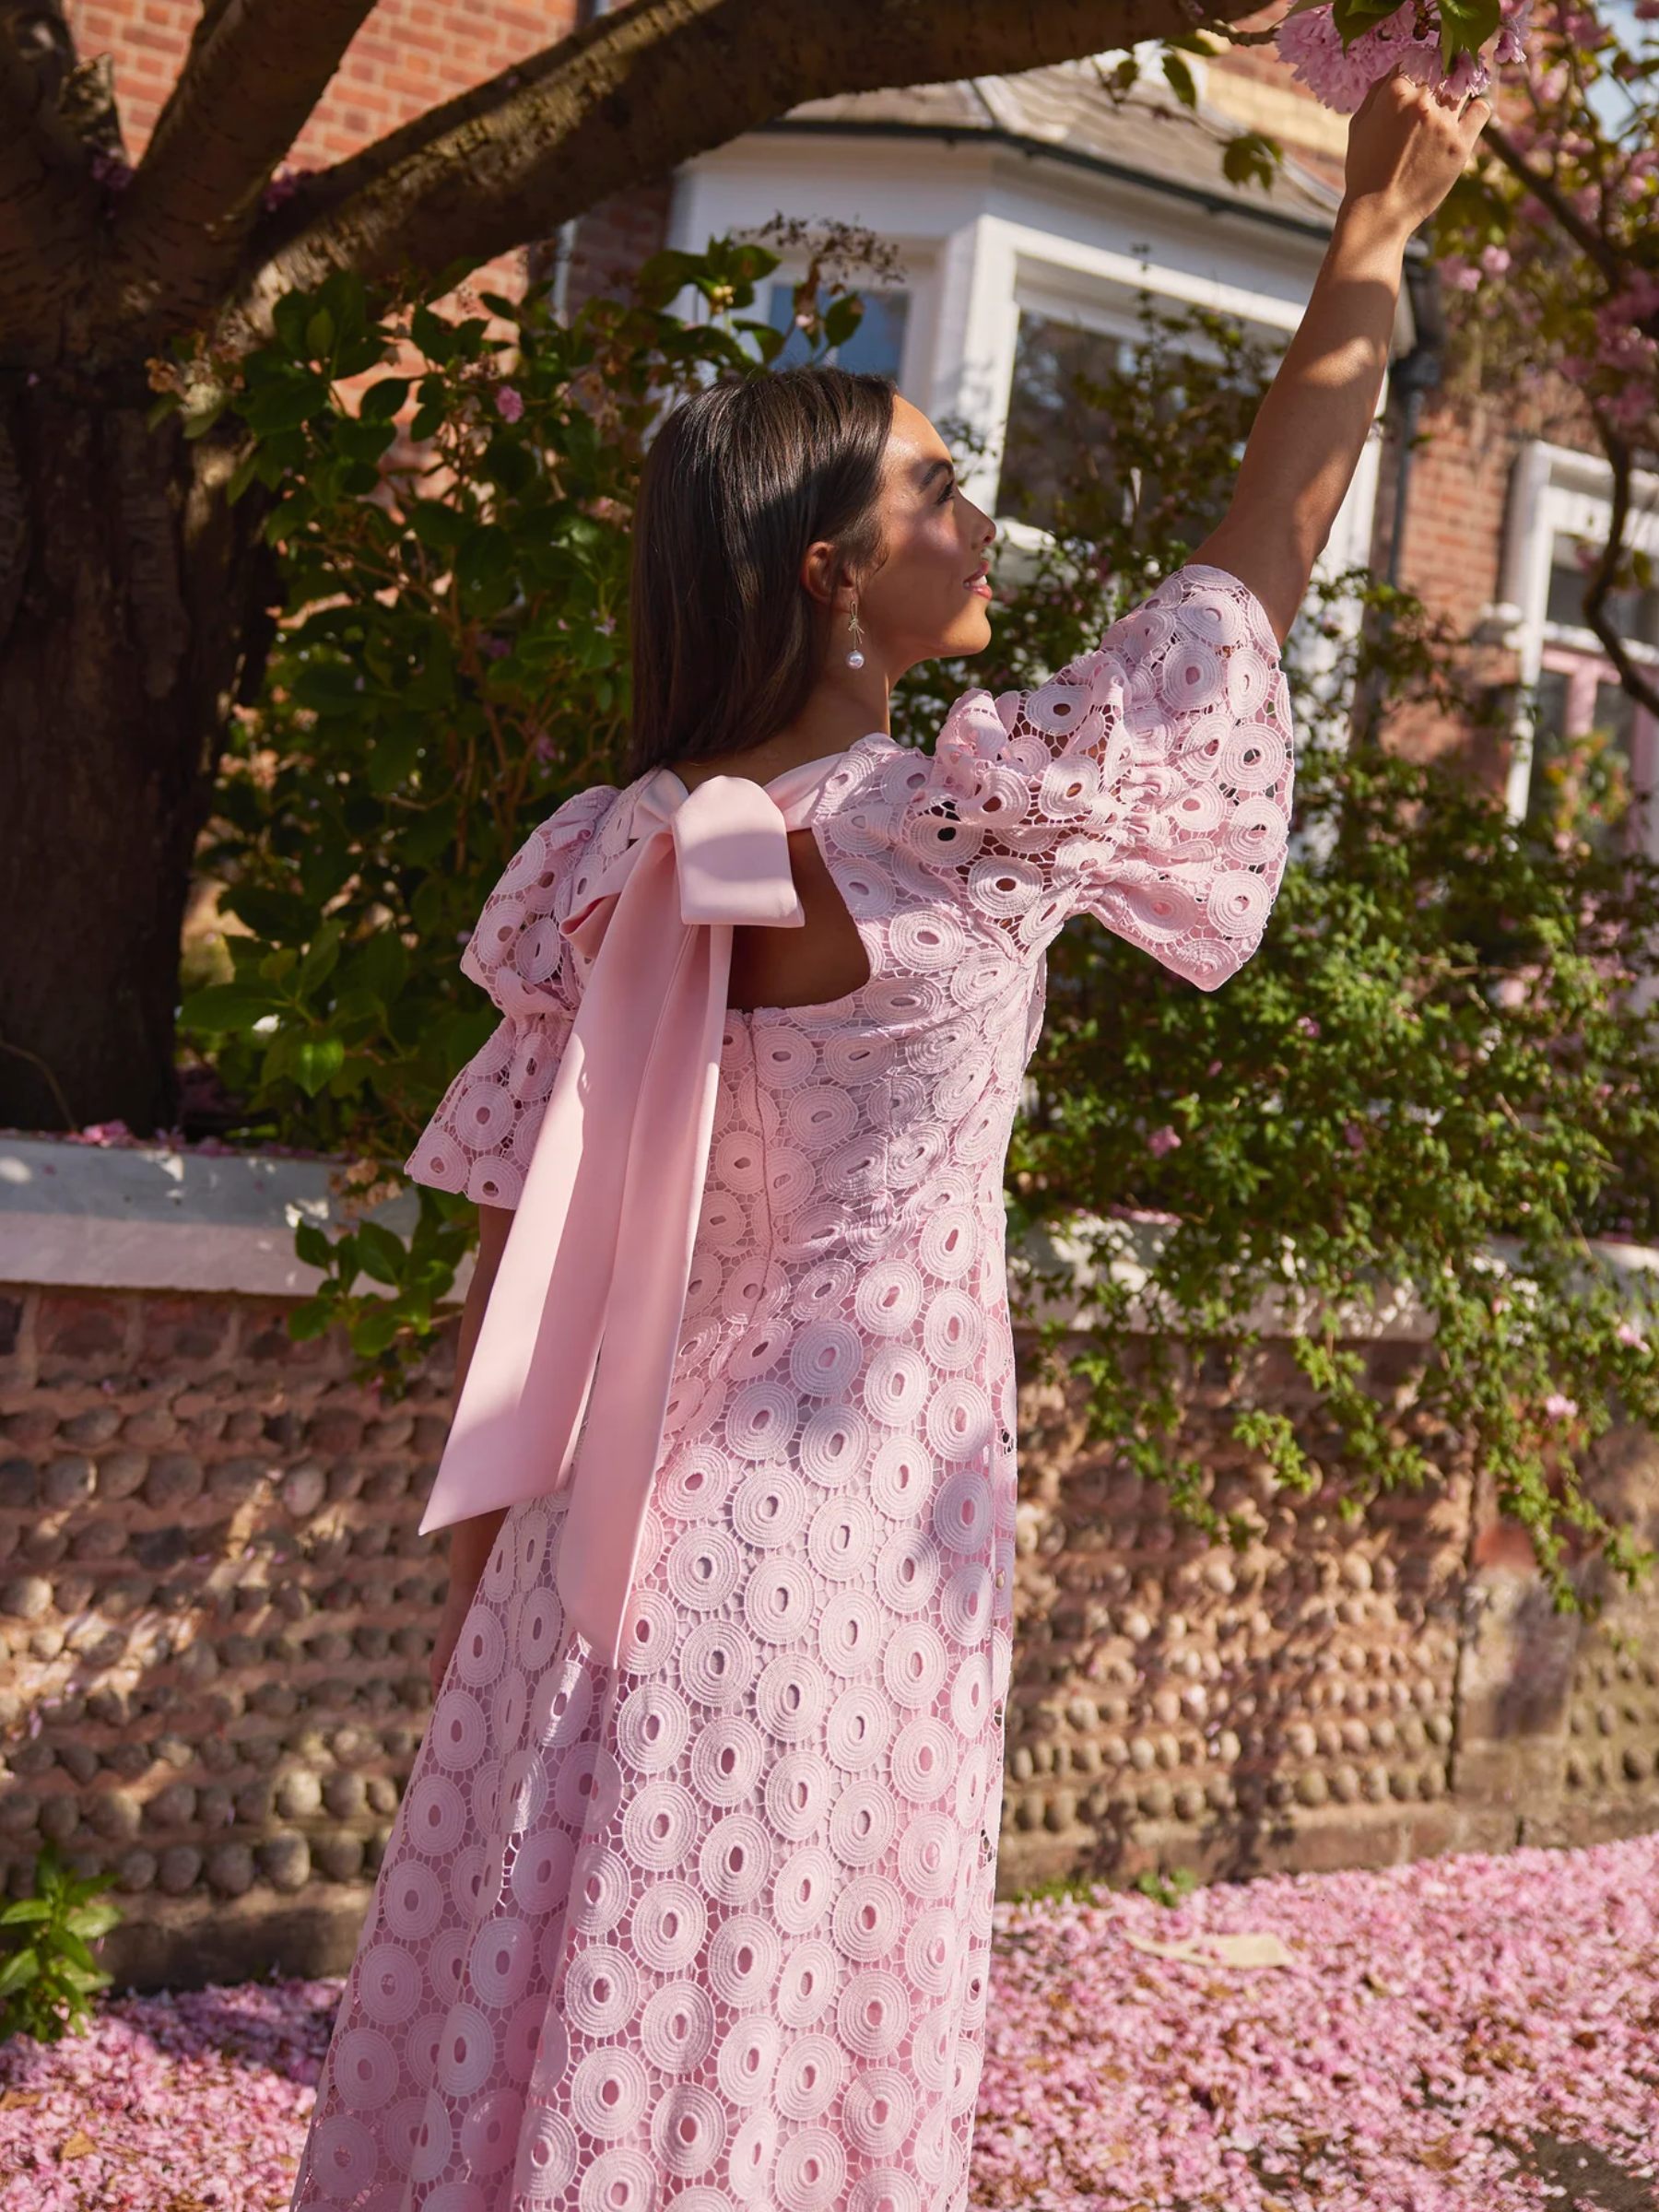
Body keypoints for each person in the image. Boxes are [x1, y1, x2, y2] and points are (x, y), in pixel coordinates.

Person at [290, 71, 1488, 2212]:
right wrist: (1371, 238)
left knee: (544, 2042)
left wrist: (501, 1630)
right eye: (941, 484)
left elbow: (519, 1271)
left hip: (587, 1562)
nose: (981, 509)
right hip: (837, 1571)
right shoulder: (958, 828)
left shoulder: (612, 858)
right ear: (837, 574)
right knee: (750, 2083)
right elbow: (1259, 568)